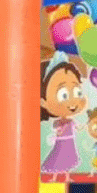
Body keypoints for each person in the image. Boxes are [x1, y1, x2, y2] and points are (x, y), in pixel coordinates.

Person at [40, 52, 87, 181]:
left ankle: (66, 176)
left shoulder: (71, 121)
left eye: (77, 92)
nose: (72, 102)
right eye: (64, 95)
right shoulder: (56, 122)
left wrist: (84, 127)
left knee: (68, 161)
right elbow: (56, 129)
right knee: (58, 159)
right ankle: (54, 176)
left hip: (69, 142)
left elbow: (78, 128)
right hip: (61, 142)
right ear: (43, 101)